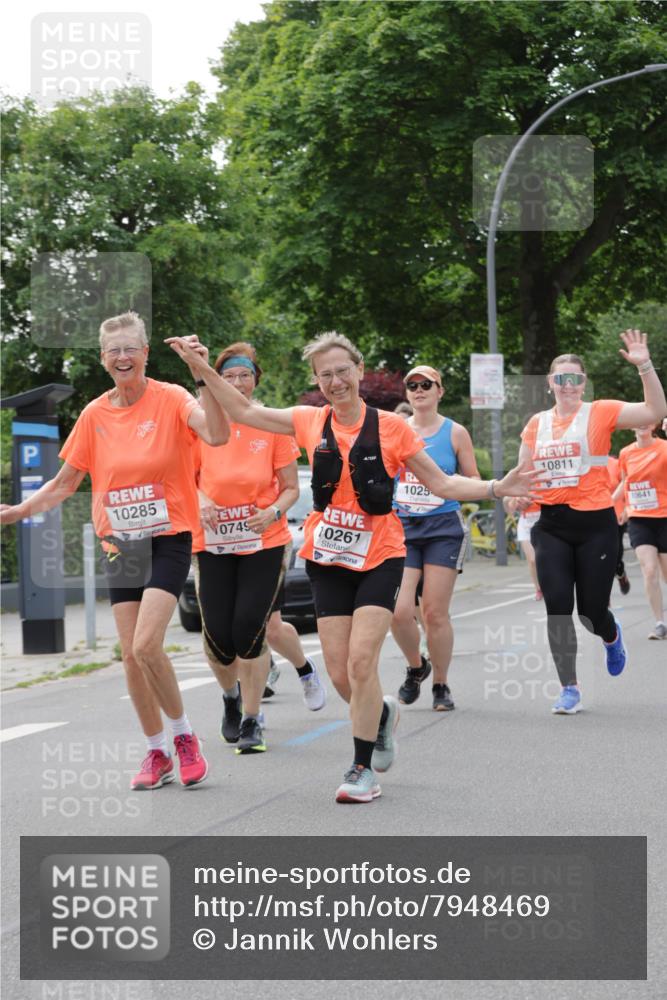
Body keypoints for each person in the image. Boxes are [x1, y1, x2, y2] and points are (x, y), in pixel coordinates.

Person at [168, 330, 538, 804]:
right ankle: (380, 718)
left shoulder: (393, 428)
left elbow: (443, 484)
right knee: (342, 674)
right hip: (328, 560)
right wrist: (201, 366)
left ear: (360, 371)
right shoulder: (307, 421)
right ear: (317, 381)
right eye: (326, 375)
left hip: (381, 556)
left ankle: (362, 768)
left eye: (344, 371)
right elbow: (241, 411)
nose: (336, 381)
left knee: (363, 663)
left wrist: (494, 488)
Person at [0, 311, 230, 789]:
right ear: (104, 360)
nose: (123, 357)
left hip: (167, 535)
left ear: (146, 353)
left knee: (147, 645)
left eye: (131, 348)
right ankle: (156, 752)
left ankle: (185, 737)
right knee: (130, 655)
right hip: (119, 541)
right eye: (114, 351)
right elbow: (66, 482)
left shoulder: (172, 398)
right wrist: (19, 511)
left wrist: (202, 373)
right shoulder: (95, 414)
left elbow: (217, 433)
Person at [518, 329, 667, 715]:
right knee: (557, 608)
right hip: (550, 525)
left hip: (596, 527)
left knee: (590, 612)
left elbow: (654, 412)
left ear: (583, 384)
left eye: (575, 379)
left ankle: (611, 635)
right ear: (550, 383)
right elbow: (522, 474)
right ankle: (569, 687)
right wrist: (516, 494)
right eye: (560, 379)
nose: (568, 385)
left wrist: (644, 366)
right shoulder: (535, 425)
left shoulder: (599, 412)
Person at [193, 342, 326, 755]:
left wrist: (272, 511)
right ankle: (231, 699)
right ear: (216, 379)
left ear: (255, 380)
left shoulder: (269, 423)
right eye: (228, 376)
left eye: (244, 375)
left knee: (251, 626)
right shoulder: (199, 422)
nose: (236, 382)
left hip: (263, 541)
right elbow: (182, 479)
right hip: (213, 542)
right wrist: (201, 501)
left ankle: (252, 718)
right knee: (217, 634)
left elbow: (290, 488)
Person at [391, 365, 480, 711]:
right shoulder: (397, 430)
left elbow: (472, 478)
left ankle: (441, 683)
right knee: (398, 613)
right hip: (403, 527)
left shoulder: (455, 433)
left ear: (440, 391)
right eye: (412, 384)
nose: (419, 389)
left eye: (426, 384)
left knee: (434, 613)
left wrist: (449, 481)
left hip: (443, 526)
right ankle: (417, 666)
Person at [616, 423, 667, 639]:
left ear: (654, 425)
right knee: (649, 570)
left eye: (647, 422)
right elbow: (626, 481)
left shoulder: (664, 448)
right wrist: (612, 503)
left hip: (664, 516)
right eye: (639, 422)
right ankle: (659, 623)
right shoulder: (626, 453)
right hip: (639, 519)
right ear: (632, 427)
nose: (643, 425)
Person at [504, 498, 542, 600]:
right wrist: (514, 502)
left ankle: (551, 585)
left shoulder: (540, 483)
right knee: (532, 560)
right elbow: (508, 505)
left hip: (541, 521)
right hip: (526, 525)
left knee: (545, 558)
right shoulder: (519, 484)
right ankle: (538, 589)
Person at [607, 454, 631, 595]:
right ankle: (603, 598)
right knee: (596, 556)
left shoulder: (615, 464)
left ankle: (620, 573)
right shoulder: (583, 465)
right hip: (593, 515)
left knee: (615, 556)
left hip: (616, 515)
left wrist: (627, 508)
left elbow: (627, 486)